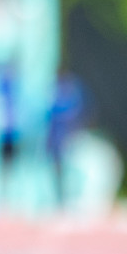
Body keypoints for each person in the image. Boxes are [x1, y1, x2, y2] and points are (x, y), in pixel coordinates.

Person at [47, 68, 86, 207]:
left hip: (68, 136)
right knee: (57, 169)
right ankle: (60, 199)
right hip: (58, 137)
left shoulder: (70, 91)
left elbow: (76, 112)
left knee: (71, 167)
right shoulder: (55, 91)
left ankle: (71, 198)